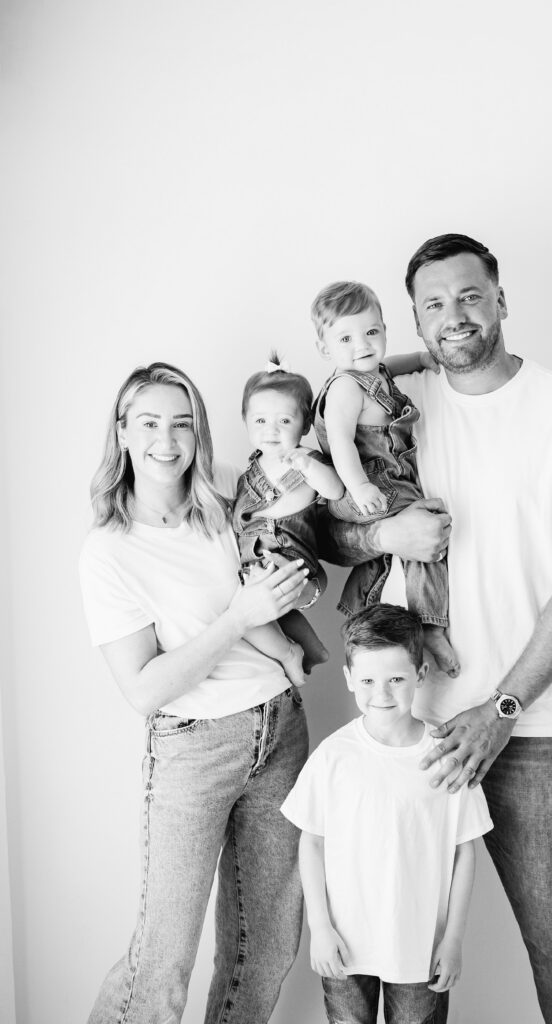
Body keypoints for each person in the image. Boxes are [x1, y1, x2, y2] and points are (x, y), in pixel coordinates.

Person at [319, 234, 552, 1024]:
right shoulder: (398, 410)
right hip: (414, 724)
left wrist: (500, 710)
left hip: (529, 730)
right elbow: (332, 534)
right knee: (405, 947)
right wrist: (386, 538)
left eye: (468, 296)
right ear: (414, 321)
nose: (452, 315)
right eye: (432, 304)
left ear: (500, 301)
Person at [79, 361, 312, 1024]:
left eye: (182, 423)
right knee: (162, 963)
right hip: (194, 753)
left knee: (263, 950)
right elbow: (144, 690)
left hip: (281, 731)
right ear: (122, 433)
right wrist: (239, 616)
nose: (167, 439)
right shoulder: (110, 551)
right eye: (149, 422)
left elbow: (316, 519)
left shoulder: (228, 506)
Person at [281, 604, 492, 1024]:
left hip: (419, 947)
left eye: (396, 678)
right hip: (345, 945)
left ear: (421, 675)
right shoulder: (334, 757)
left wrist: (453, 940)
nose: (382, 693)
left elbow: (466, 851)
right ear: (349, 680)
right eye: (368, 680)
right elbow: (312, 842)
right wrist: (320, 929)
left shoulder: (445, 756)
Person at [311, 279, 460, 677]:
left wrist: (417, 359)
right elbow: (341, 441)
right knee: (425, 531)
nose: (361, 345)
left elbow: (386, 369)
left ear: (384, 331)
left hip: (377, 484)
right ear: (325, 349)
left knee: (394, 547)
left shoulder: (368, 372)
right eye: (345, 338)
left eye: (371, 332)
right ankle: (429, 623)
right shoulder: (344, 387)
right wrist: (360, 487)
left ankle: (361, 601)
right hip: (371, 484)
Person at [233, 353, 344, 676]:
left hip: (290, 554)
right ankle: (307, 649)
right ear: (246, 421)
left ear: (305, 424)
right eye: (260, 421)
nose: (271, 430)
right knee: (262, 611)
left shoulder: (304, 457)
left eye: (284, 420)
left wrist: (310, 468)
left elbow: (335, 491)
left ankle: (289, 654)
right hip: (253, 555)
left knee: (251, 600)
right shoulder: (250, 469)